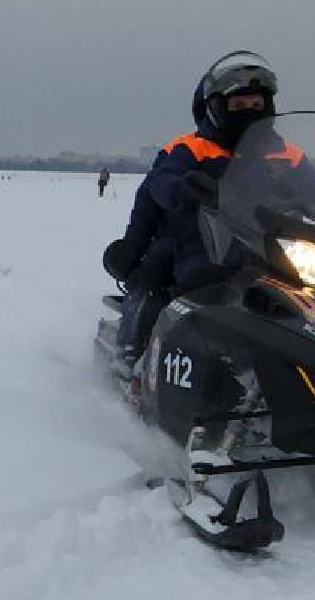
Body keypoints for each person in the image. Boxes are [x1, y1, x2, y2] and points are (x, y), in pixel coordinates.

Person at [104, 50, 280, 371]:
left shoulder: (283, 154)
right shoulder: (189, 148)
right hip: (193, 238)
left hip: (263, 243)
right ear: (216, 108)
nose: (249, 113)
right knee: (156, 273)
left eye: (257, 106)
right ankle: (133, 357)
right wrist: (179, 188)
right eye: (239, 106)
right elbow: (156, 186)